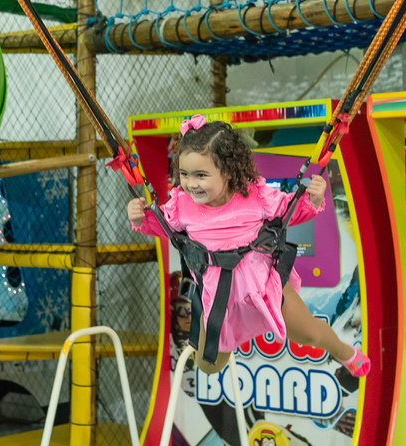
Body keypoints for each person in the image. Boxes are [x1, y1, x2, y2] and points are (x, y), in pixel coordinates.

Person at [128, 116, 369, 376]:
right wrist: (140, 217)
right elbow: (161, 225)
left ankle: (345, 352)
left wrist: (313, 198)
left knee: (310, 333)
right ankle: (221, 329)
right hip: (220, 298)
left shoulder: (255, 196)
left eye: (201, 175)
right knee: (207, 366)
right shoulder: (181, 206)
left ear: (227, 171)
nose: (191, 183)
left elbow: (291, 211)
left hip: (264, 287)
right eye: (184, 174)